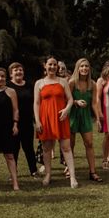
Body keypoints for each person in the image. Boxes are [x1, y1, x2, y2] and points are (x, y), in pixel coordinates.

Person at [34, 56, 78, 187]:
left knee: (66, 147)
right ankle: (48, 174)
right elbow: (36, 103)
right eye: (50, 64)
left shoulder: (63, 81)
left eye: (54, 65)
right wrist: (37, 121)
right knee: (47, 149)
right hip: (45, 119)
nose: (53, 67)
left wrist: (67, 109)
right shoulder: (39, 83)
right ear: (45, 66)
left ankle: (73, 177)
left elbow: (70, 99)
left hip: (61, 117)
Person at [69, 58, 103, 182]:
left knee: (89, 143)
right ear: (78, 68)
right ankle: (70, 170)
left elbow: (94, 103)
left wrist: (98, 119)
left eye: (86, 66)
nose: (84, 68)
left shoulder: (92, 84)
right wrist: (76, 102)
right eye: (82, 66)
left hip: (85, 116)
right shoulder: (72, 82)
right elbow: (65, 100)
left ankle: (92, 172)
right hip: (72, 115)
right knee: (70, 145)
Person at [8, 62, 38, 177]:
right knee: (14, 148)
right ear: (11, 74)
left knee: (28, 147)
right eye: (15, 70)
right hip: (13, 123)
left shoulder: (30, 85)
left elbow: (36, 102)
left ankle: (33, 170)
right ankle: (13, 172)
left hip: (27, 121)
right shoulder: (8, 86)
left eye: (20, 70)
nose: (19, 72)